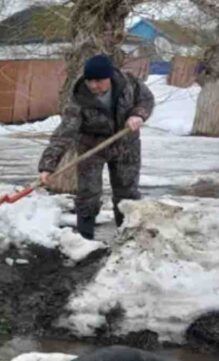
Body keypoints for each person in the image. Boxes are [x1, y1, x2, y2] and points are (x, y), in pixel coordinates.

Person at [38, 54, 155, 240]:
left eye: (99, 81)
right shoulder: (79, 98)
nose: (93, 86)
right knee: (88, 193)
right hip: (91, 146)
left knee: (127, 192)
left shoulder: (129, 84)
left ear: (109, 77)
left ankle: (127, 236)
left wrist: (138, 114)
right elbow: (64, 134)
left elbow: (146, 100)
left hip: (126, 144)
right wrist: (48, 165)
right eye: (90, 81)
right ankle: (85, 238)